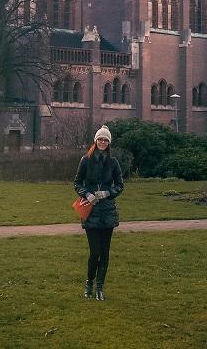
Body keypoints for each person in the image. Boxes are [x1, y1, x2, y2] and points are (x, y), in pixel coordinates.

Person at [73, 124, 124, 301]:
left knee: (105, 253)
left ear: (109, 143)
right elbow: (77, 182)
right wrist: (86, 193)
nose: (102, 142)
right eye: (100, 139)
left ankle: (99, 287)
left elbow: (120, 185)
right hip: (91, 211)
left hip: (107, 212)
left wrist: (108, 193)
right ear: (95, 141)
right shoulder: (86, 160)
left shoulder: (113, 162)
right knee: (95, 252)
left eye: (105, 140)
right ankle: (89, 283)